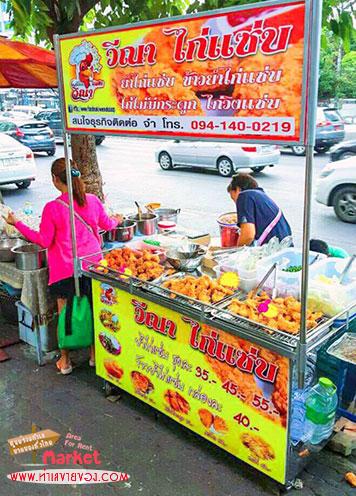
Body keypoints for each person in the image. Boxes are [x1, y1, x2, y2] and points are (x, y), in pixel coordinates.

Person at [4, 158, 122, 375]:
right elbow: (107, 224)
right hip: (92, 266)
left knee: (66, 314)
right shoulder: (92, 200)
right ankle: (94, 356)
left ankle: (65, 361)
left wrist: (17, 223)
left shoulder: (52, 208)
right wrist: (118, 219)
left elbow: (44, 241)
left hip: (65, 269)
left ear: (55, 180)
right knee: (92, 310)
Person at [227, 173, 292, 247]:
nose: (236, 203)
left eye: (234, 198)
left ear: (238, 189)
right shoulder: (260, 195)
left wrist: (235, 251)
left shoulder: (244, 196)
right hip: (284, 247)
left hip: (275, 251)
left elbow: (248, 235)